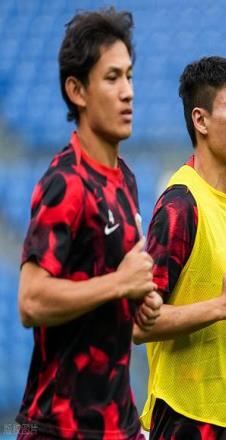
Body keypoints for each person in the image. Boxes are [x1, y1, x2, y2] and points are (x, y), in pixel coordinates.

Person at [16, 8, 162, 439]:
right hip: (60, 427)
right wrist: (120, 284)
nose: (128, 92)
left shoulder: (125, 179)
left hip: (117, 423)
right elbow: (31, 301)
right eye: (112, 78)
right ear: (77, 90)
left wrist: (139, 301)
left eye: (129, 76)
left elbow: (115, 285)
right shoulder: (65, 182)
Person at [134, 56, 226, 440]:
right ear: (200, 121)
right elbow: (138, 323)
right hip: (187, 421)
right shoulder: (180, 206)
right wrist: (222, 306)